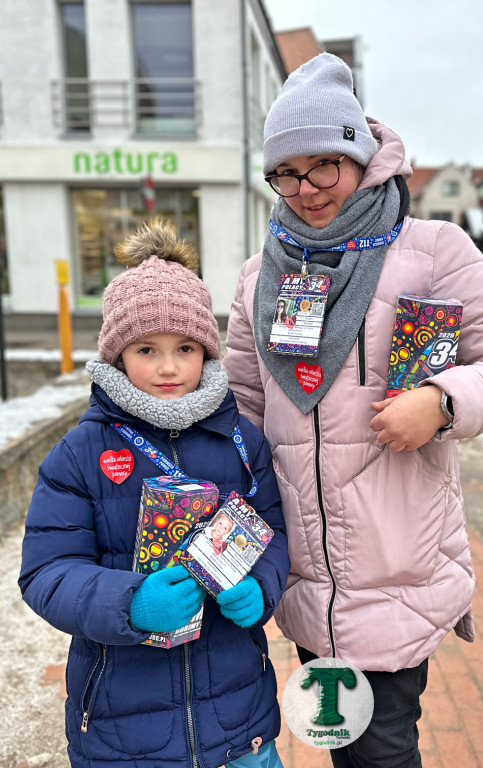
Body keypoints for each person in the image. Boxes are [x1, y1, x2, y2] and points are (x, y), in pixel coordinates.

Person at [223, 53, 483, 767]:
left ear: (359, 156)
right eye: (286, 173)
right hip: (301, 574)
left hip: (397, 570)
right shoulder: (261, 275)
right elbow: (241, 405)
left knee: (382, 751)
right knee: (341, 740)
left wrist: (441, 400)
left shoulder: (433, 251)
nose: (304, 191)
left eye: (322, 168)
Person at [19, 218, 289, 768]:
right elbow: (45, 572)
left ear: (207, 352)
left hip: (239, 726)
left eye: (185, 347)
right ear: (118, 356)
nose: (169, 367)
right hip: (124, 735)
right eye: (146, 349)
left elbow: (274, 533)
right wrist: (130, 603)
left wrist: (262, 585)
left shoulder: (242, 442)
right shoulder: (81, 453)